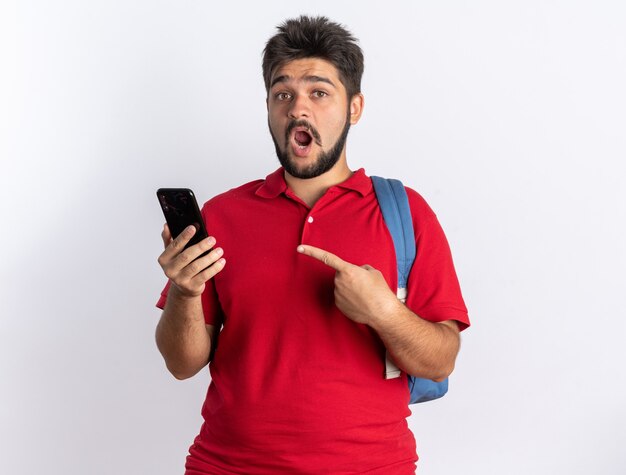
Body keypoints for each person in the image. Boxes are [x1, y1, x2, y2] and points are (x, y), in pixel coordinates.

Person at [155, 15, 470, 475]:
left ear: (354, 107)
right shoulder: (221, 215)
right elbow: (182, 365)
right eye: (283, 94)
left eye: (319, 93)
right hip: (228, 466)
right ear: (268, 107)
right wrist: (184, 292)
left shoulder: (405, 212)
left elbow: (440, 361)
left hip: (372, 466)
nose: (298, 109)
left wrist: (383, 311)